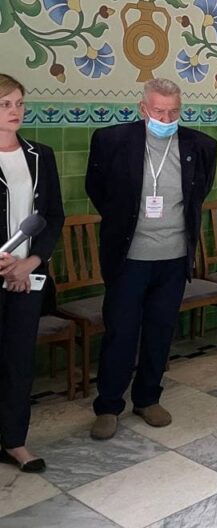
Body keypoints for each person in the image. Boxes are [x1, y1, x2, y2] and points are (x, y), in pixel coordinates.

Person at [86, 78, 217, 440]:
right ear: (143, 109)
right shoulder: (112, 141)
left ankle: (147, 398)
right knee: (121, 332)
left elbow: (198, 194)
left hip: (174, 258)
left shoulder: (200, 145)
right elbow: (97, 190)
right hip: (129, 257)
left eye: (174, 111)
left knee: (160, 331)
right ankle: (108, 405)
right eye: (159, 111)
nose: (167, 118)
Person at [0, 74, 64, 472]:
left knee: (19, 361)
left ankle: (14, 441)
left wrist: (31, 262)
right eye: (5, 104)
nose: (15, 111)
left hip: (26, 276)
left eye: (19, 103)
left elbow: (53, 216)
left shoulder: (40, 155)